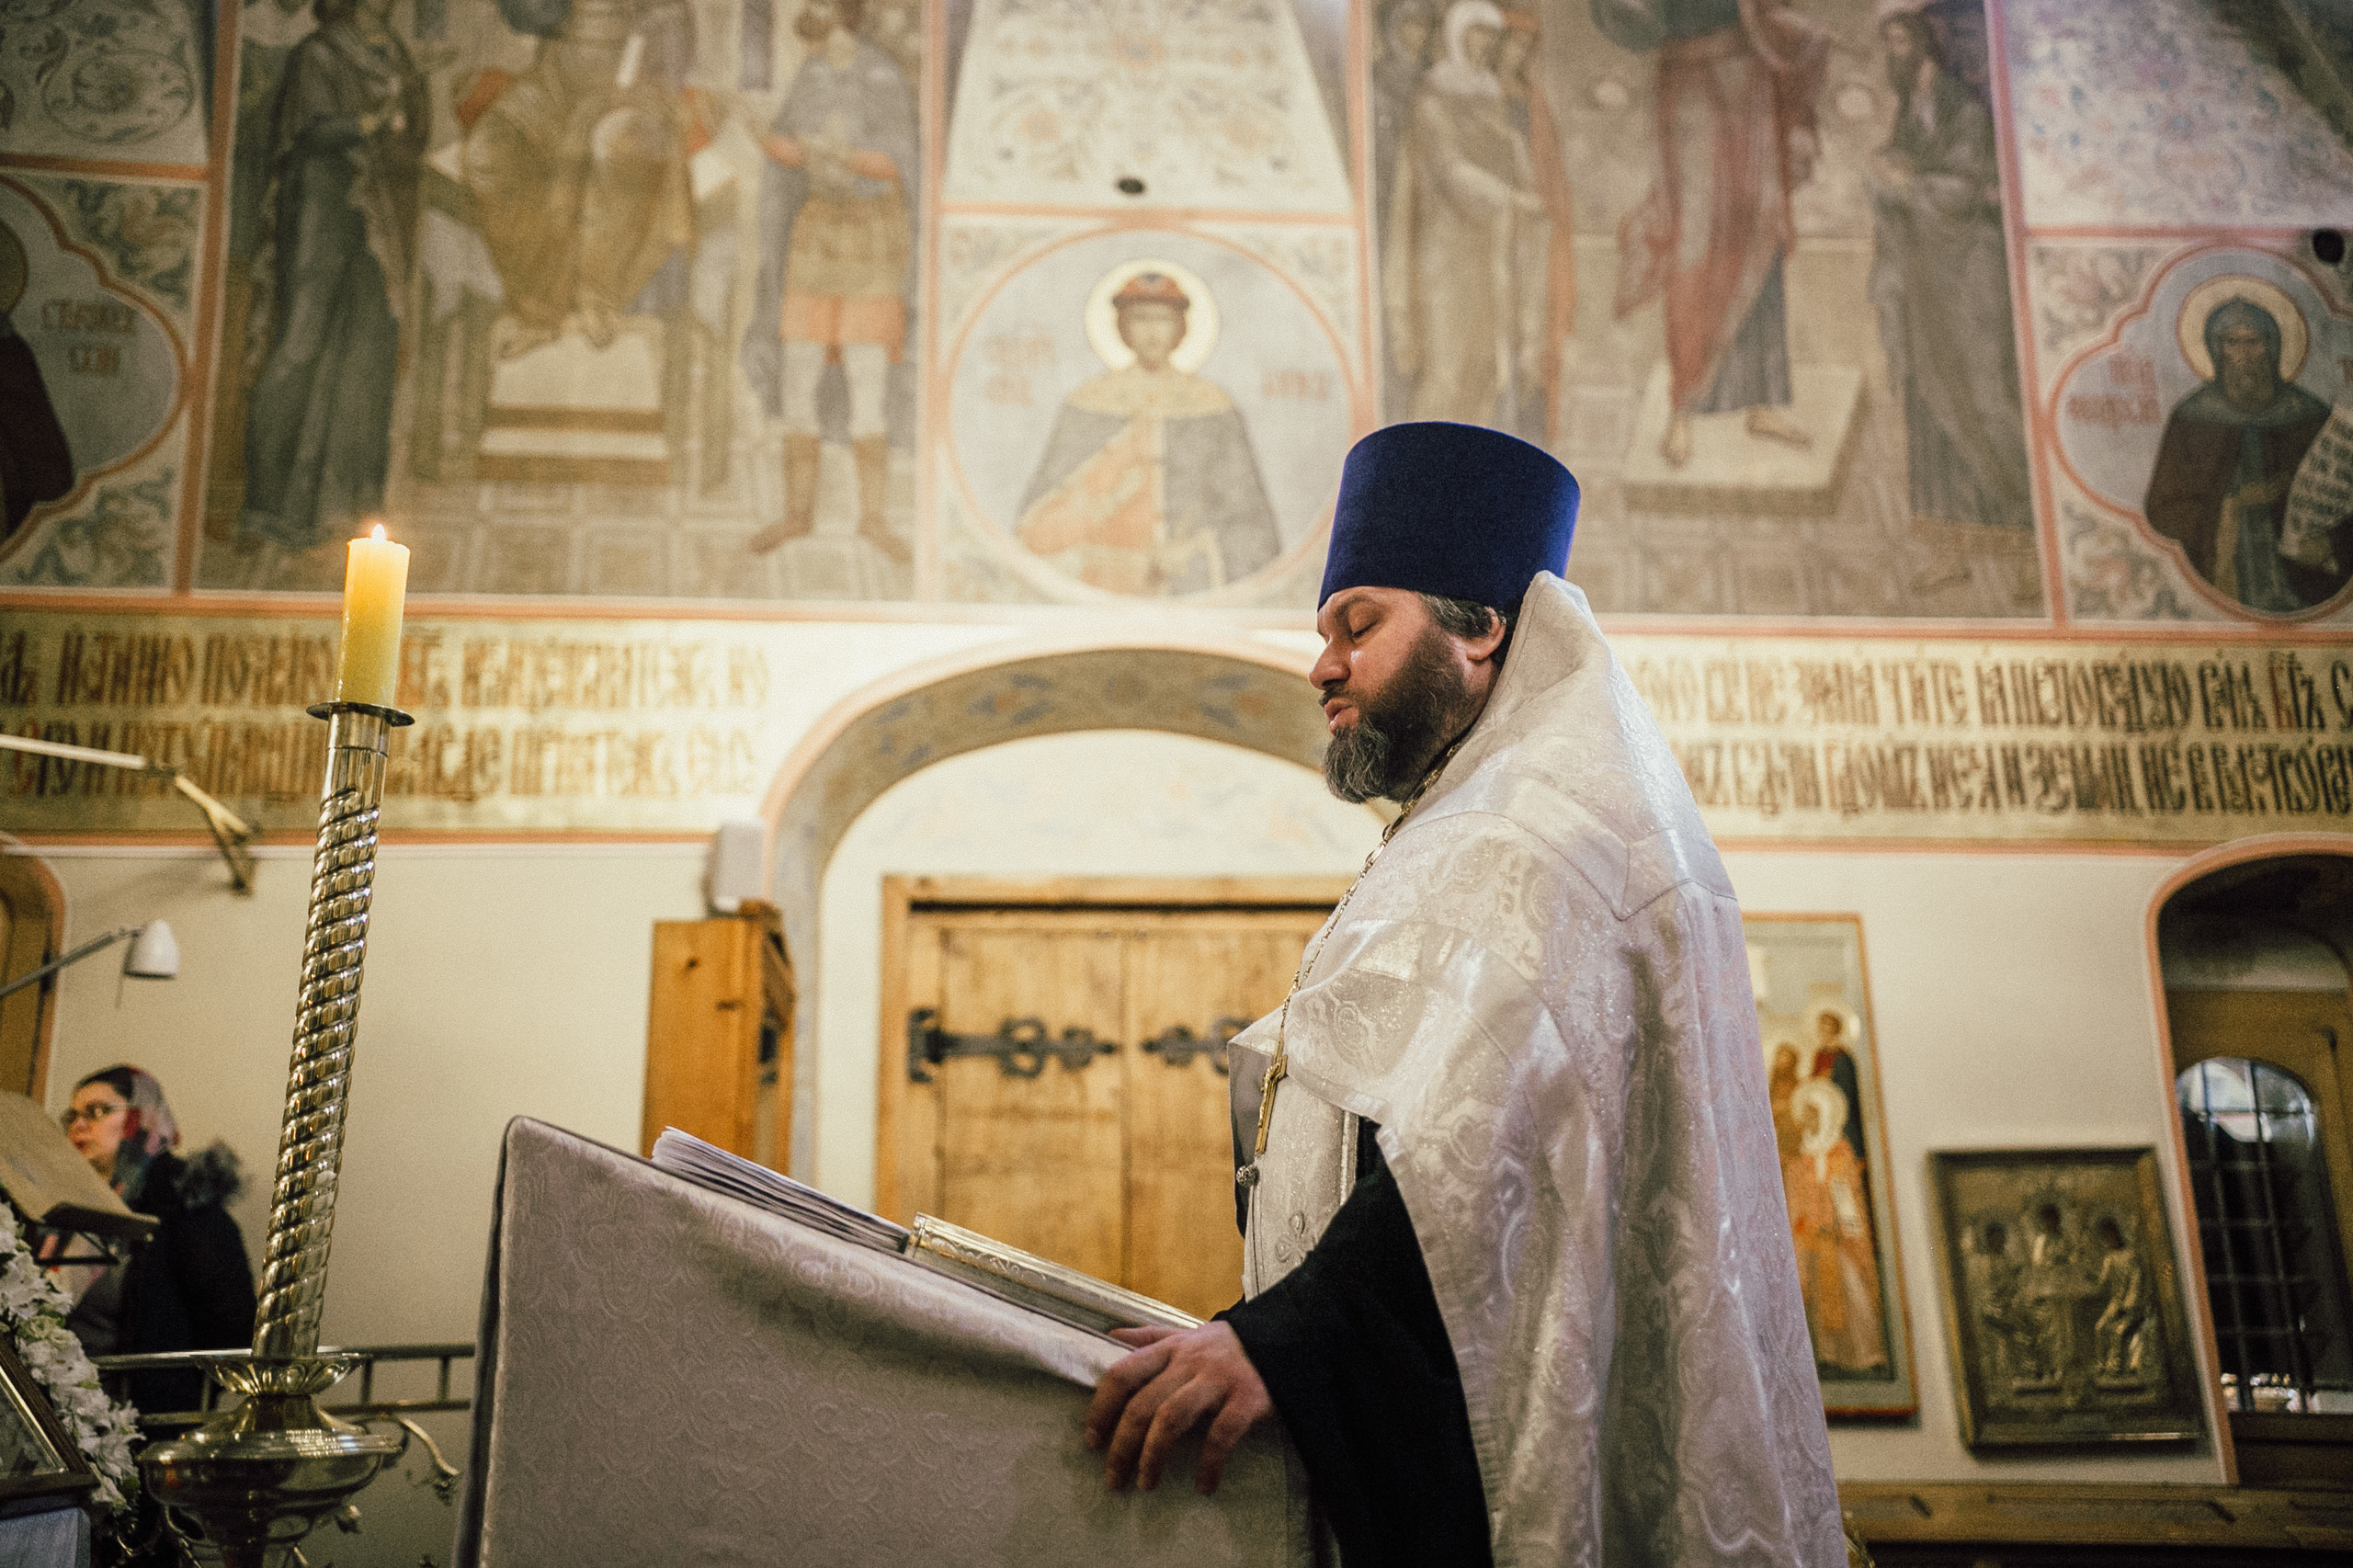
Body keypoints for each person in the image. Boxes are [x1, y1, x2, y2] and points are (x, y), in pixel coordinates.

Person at [1083, 421, 1841, 1565]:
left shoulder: (1542, 837)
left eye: (1358, 624)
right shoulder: (1468, 824)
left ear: (1482, 625)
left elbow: (1483, 1149)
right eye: (1323, 632)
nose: (1321, 666)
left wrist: (1287, 1342)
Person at [1596, 0, 1830, 467]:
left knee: (1759, 235)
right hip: (1691, 88)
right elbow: (1632, 23)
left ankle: (1764, 404)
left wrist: (1796, 35)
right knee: (1692, 247)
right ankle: (1683, 409)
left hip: (1749, 84)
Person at [237, 0, 426, 571]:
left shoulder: (395, 54)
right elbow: (313, 129)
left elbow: (414, 128)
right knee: (303, 339)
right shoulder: (318, 53)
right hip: (322, 206)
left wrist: (407, 111)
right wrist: (373, 122)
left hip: (380, 208)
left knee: (369, 345)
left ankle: (351, 503)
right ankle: (268, 506)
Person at [743, 0, 918, 563]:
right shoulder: (814, 71)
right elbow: (792, 152)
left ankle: (873, 521)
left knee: (868, 382)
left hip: (870, 237)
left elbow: (898, 162)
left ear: (843, 17)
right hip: (817, 234)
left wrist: (835, 153)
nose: (808, 23)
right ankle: (797, 514)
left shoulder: (881, 75)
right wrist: (761, 134)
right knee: (800, 374)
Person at [1866, 7, 2031, 532]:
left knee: (1987, 392)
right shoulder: (1910, 113)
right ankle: (1948, 538)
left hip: (1970, 273)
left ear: (1924, 45)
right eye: (1887, 43)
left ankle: (2024, 519)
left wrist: (1904, 184)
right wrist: (1886, 178)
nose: (1892, 54)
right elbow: (1902, 178)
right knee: (1931, 395)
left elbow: (1966, 190)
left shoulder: (1966, 114)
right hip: (1924, 275)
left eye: (1899, 41)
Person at [1014, 271, 1279, 595]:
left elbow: (1254, 528)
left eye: (1163, 320)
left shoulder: (1214, 409)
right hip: (1102, 587)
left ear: (1180, 328)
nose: (1152, 332)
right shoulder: (1087, 404)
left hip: (1190, 593)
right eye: (1140, 319)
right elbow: (1037, 523)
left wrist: (1194, 553)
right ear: (1123, 327)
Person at [460, 0, 699, 358]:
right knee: (487, 151)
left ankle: (598, 297)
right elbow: (519, 16)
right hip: (550, 89)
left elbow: (676, 32)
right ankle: (536, 305)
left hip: (634, 90)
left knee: (614, 142)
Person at [50, 1067, 256, 1415]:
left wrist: (176, 1402)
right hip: (54, 1411)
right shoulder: (59, 1206)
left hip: (140, 1422)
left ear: (142, 1117)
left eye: (98, 1111)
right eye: (73, 1115)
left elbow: (231, 1330)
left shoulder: (185, 1208)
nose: (79, 1125)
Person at [1381, 1, 1549, 427]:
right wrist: (1510, 197)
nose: (1483, 45)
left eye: (1491, 38)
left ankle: (1469, 477)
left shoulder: (1491, 94)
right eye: (1476, 34)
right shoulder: (1433, 94)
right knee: (1448, 369)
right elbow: (1449, 168)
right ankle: (1424, 474)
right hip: (1446, 252)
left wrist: (1525, 187)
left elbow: (1510, 154)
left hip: (1491, 253)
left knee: (1487, 371)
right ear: (1456, 36)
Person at [2143, 293, 2351, 613]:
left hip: (2305, 580)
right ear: (2216, 350)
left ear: (2273, 347)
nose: (2244, 355)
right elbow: (2162, 508)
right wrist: (2227, 507)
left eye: (2254, 341)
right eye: (2232, 343)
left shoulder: (2308, 415)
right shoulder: (2192, 417)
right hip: (2222, 578)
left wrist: (2330, 543)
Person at [1496, 9, 1575, 447]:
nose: (1518, 54)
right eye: (1512, 43)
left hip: (1532, 238)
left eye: (1527, 47)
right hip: (1490, 239)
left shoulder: (1533, 101)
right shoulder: (1479, 97)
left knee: (1533, 346)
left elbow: (1551, 179)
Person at [1784, 1076, 1886, 1374]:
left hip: (1841, 1241)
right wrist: (1805, 1229)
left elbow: (1847, 1199)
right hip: (1813, 1242)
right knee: (1820, 1299)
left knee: (1854, 1293)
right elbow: (1795, 1206)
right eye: (1807, 1116)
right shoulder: (1799, 1161)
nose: (1809, 1122)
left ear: (1827, 1115)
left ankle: (1867, 1354)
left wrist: (1841, 1228)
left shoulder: (1840, 1154)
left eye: (1815, 1115)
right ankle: (1830, 1358)